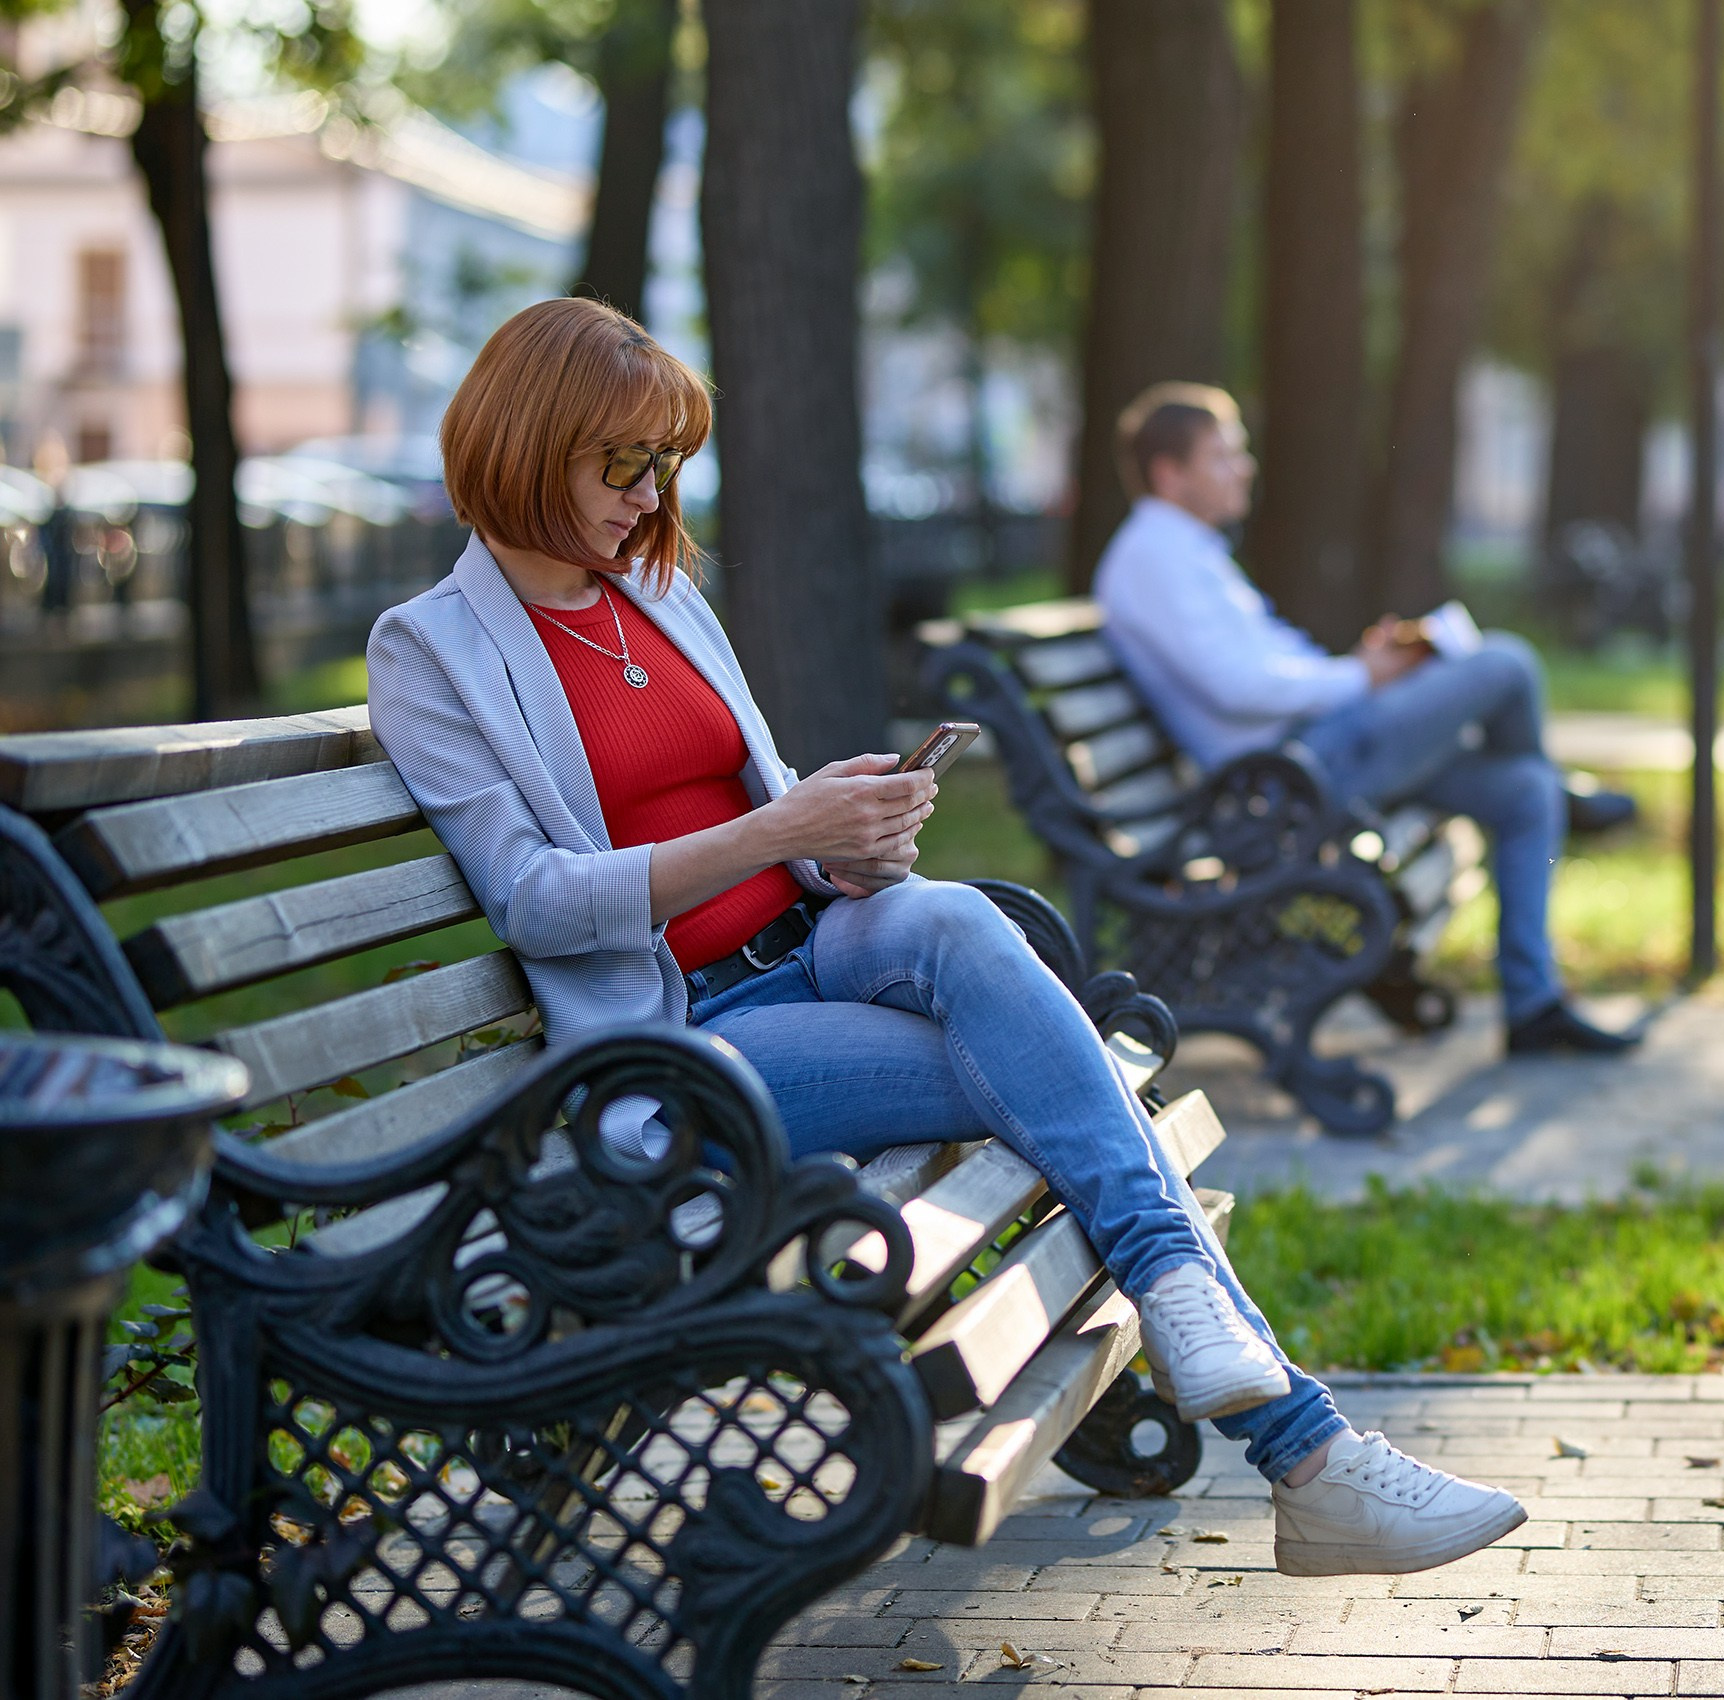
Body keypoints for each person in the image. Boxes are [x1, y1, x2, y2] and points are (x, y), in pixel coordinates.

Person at [365, 298, 1525, 1577]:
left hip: (818, 937)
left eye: (666, 464)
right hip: (684, 1039)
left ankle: (1264, 1402)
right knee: (1057, 1076)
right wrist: (773, 834)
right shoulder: (432, 648)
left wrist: (838, 834)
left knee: (961, 919)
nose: (649, 497)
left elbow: (754, 803)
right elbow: (532, 894)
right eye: (622, 464)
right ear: (529, 443)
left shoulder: (659, 596)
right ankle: (1304, 1446)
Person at [1092, 383, 1640, 1058]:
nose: (1245, 467)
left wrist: (1363, 664)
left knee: (1521, 792)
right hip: (1289, 777)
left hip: (1312, 752)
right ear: (1168, 473)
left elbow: (1265, 662)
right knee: (1506, 662)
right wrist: (1361, 678)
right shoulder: (1154, 556)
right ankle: (1565, 793)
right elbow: (1236, 687)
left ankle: (1533, 1005)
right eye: (1224, 455)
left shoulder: (1185, 550)